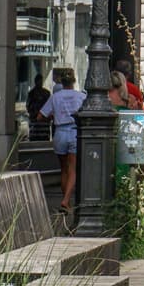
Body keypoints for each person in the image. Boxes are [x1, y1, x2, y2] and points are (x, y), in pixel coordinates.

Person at [40, 67, 88, 216]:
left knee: (64, 169)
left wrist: (54, 115)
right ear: (74, 81)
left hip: (60, 132)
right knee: (73, 168)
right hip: (74, 131)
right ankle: (66, 200)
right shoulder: (80, 96)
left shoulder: (56, 97)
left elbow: (40, 116)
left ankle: (65, 199)